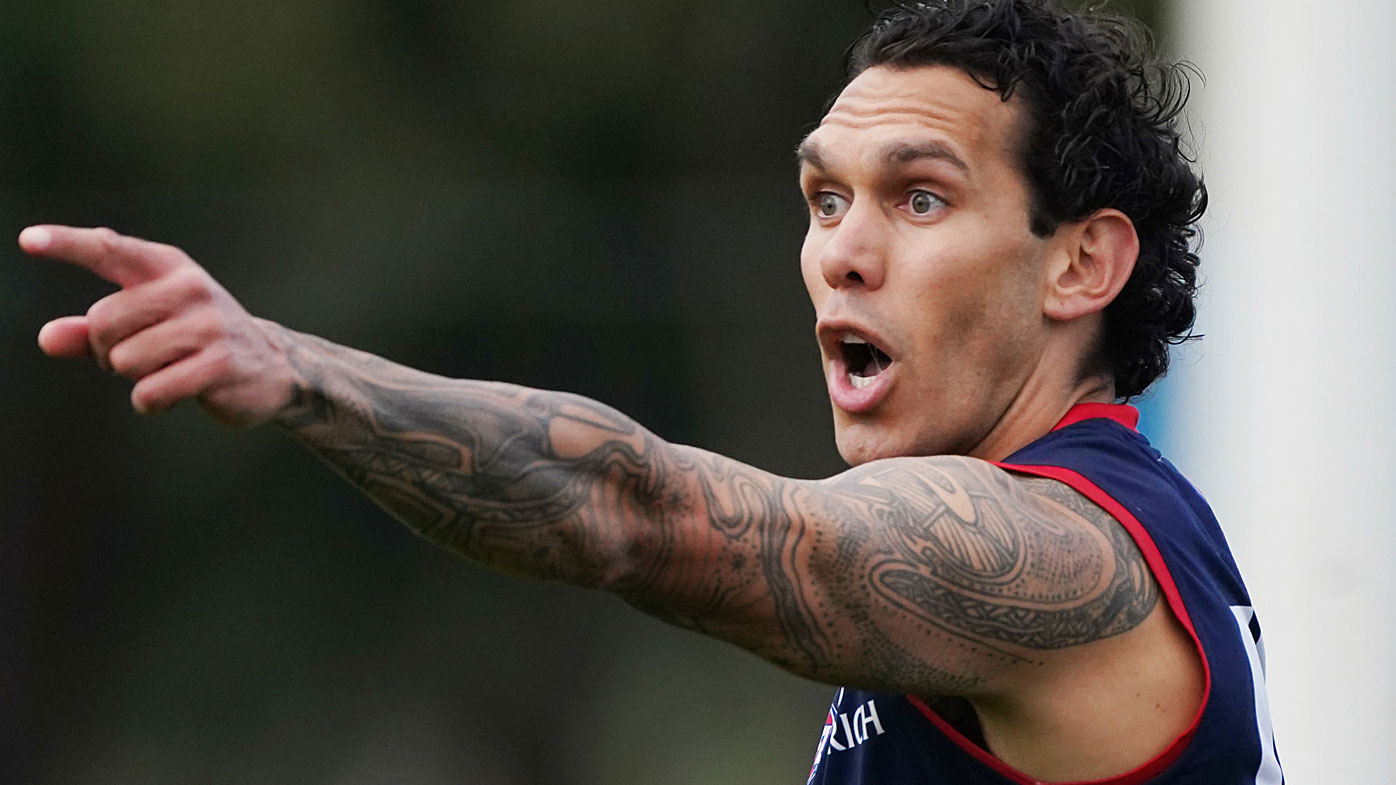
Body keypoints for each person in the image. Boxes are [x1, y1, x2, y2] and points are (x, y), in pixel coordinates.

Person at [25, 1, 1280, 782]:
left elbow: (641, 511)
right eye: (824, 197)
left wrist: (299, 371)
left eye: (919, 196)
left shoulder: (1068, 556)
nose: (841, 248)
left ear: (1083, 261)